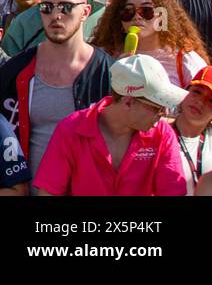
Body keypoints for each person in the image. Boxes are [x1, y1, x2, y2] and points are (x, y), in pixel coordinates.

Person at [0, 0, 114, 176]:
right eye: (47, 7)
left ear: (85, 12)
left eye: (66, 7)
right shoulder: (13, 72)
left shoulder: (108, 72)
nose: (56, 15)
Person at [34, 54, 187, 196]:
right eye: (157, 108)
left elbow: (174, 192)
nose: (163, 115)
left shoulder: (163, 134)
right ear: (128, 102)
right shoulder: (71, 129)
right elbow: (49, 192)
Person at [92, 0, 207, 87]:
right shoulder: (105, 55)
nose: (137, 16)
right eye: (128, 11)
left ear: (162, 17)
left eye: (146, 11)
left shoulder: (184, 60)